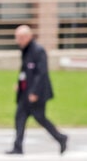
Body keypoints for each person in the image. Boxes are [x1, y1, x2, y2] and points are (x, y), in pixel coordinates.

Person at [7, 25, 68, 155]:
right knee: (20, 117)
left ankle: (60, 137)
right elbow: (25, 71)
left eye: (21, 38)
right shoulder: (25, 50)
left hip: (36, 93)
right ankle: (18, 146)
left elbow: (41, 74)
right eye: (17, 38)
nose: (18, 40)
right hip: (25, 93)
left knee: (40, 118)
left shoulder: (38, 51)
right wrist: (20, 84)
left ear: (29, 36)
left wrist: (34, 92)